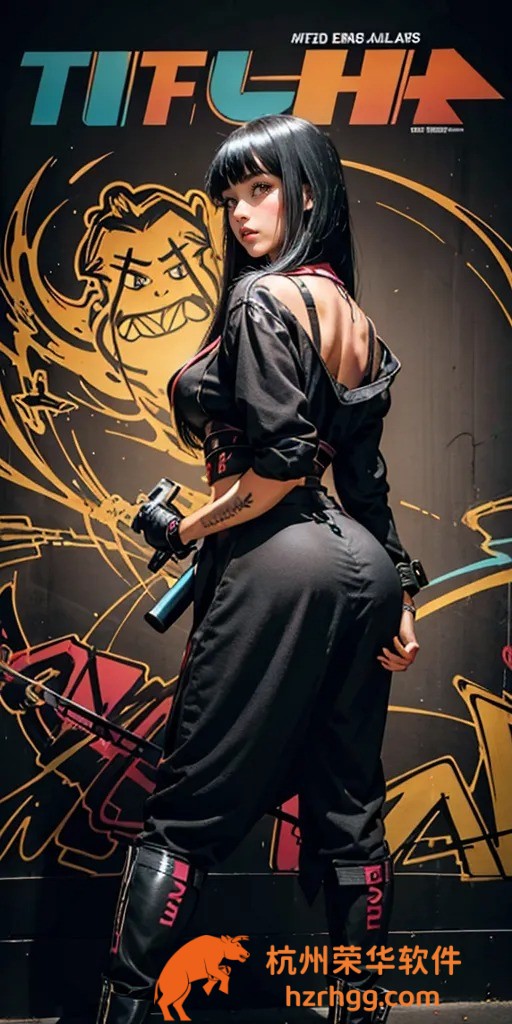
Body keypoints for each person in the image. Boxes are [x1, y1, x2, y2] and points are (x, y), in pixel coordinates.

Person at [95, 114, 428, 1024]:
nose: (240, 213)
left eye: (260, 189)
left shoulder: (258, 300)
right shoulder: (353, 317)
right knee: (350, 805)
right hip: (360, 567)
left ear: (307, 193)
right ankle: (361, 1007)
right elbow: (363, 480)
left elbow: (279, 467)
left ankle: (126, 1010)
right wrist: (399, 593)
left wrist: (185, 527)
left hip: (280, 559)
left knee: (185, 810)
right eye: (230, 197)